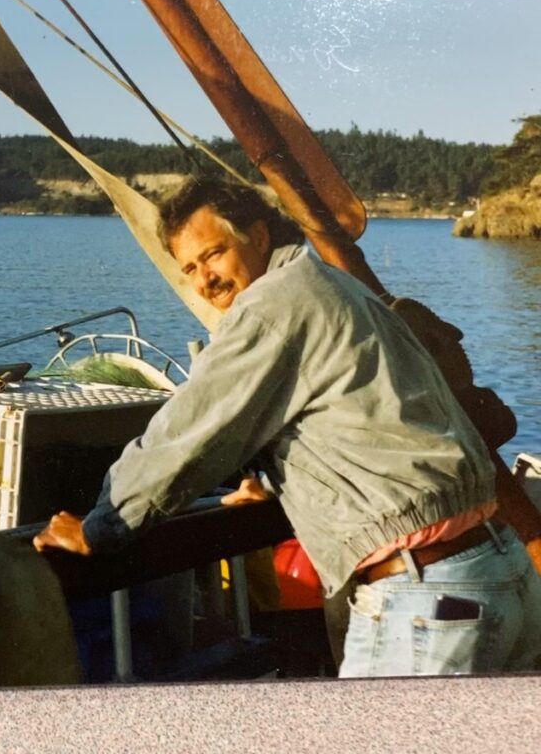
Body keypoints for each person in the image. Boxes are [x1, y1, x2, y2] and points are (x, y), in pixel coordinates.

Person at [33, 179, 541, 677]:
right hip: (500, 571)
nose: (203, 280)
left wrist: (102, 525)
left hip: (428, 596)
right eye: (189, 267)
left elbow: (186, 436)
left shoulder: (273, 304)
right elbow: (367, 416)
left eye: (213, 254)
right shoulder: (333, 286)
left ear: (257, 235)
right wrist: (281, 485)